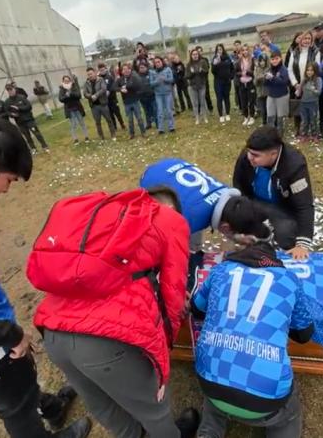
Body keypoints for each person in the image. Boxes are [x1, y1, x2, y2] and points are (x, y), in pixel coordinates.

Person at [0, 119, 89, 438]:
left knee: (22, 382)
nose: (6, 189)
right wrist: (13, 334)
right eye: (9, 180)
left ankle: (50, 407)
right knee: (15, 405)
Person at [33, 186, 199, 438]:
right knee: (154, 409)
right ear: (172, 210)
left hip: (53, 330)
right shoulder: (169, 221)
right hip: (106, 342)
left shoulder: (109, 217)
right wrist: (165, 343)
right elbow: (174, 292)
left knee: (100, 403)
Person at [191, 200, 313, 438]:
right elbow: (304, 334)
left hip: (209, 381)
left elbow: (197, 309)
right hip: (266, 400)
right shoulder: (289, 280)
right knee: (289, 414)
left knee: (215, 400)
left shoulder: (220, 271)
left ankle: (208, 431)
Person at [232, 126, 314, 260]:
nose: (250, 157)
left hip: (283, 207)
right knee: (239, 217)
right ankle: (257, 241)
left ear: (274, 154)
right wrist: (238, 223)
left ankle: (283, 251)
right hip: (255, 201)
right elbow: (238, 187)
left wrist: (302, 244)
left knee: (285, 232)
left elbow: (304, 205)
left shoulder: (294, 164)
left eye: (256, 156)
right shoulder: (246, 157)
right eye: (249, 152)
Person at [287, 32, 320, 136]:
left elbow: (317, 69)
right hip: (296, 85)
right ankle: (299, 129)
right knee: (298, 107)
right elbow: (290, 69)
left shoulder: (315, 52)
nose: (306, 40)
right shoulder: (295, 52)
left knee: (310, 108)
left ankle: (311, 130)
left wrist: (307, 84)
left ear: (311, 40)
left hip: (309, 86)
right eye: (304, 38)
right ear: (300, 40)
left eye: (308, 38)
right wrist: (295, 83)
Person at [6, 83, 50, 154]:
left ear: (14, 89)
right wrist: (12, 114)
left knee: (37, 133)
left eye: (11, 89)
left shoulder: (22, 97)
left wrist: (19, 108)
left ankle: (44, 146)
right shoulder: (7, 102)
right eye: (9, 91)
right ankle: (33, 148)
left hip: (29, 120)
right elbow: (7, 111)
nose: (10, 91)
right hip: (20, 122)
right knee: (27, 136)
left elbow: (29, 106)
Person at [83, 68, 116, 140]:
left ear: (94, 73)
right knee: (97, 122)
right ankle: (101, 136)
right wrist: (90, 96)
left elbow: (103, 89)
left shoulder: (100, 79)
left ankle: (113, 134)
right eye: (88, 74)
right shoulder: (86, 83)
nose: (90, 76)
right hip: (94, 106)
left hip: (103, 104)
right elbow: (85, 93)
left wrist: (96, 95)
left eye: (91, 74)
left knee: (109, 120)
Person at [263, 49, 291, 134]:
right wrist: (266, 79)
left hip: (281, 96)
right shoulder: (269, 69)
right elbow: (266, 84)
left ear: (280, 58)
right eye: (272, 59)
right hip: (271, 96)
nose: (274, 61)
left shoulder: (284, 69)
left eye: (276, 58)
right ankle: (271, 135)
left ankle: (279, 135)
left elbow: (284, 82)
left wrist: (273, 78)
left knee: (280, 118)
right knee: (270, 117)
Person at [116, 63, 147, 139]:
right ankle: (131, 134)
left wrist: (126, 87)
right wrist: (121, 89)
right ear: (122, 71)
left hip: (135, 101)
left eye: (127, 69)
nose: (126, 71)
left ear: (130, 70)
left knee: (139, 118)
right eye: (124, 69)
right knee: (130, 120)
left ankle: (143, 132)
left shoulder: (134, 77)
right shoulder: (120, 79)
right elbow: (113, 87)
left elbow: (138, 86)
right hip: (126, 103)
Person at [58, 75, 89, 145]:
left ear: (70, 80)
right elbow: (60, 99)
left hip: (77, 108)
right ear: (63, 81)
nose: (66, 82)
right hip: (69, 109)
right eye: (65, 81)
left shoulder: (74, 86)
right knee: (73, 124)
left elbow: (79, 95)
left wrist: (71, 94)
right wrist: (66, 95)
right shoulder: (62, 89)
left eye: (68, 80)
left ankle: (86, 137)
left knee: (82, 122)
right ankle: (75, 139)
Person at [150, 57, 176, 134]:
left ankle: (171, 127)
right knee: (160, 111)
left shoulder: (167, 70)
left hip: (167, 93)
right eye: (156, 62)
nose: (157, 63)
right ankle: (160, 129)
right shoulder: (152, 72)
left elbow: (171, 80)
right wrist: (157, 81)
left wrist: (165, 79)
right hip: (158, 95)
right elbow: (151, 84)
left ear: (162, 62)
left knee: (169, 110)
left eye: (159, 62)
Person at [98, 63, 126, 130]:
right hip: (105, 100)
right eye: (101, 70)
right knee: (110, 114)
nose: (102, 71)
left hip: (113, 98)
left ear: (105, 69)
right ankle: (114, 126)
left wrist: (109, 91)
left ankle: (122, 124)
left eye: (103, 69)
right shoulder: (99, 78)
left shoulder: (109, 76)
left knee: (117, 112)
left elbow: (113, 85)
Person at [298, 62, 322, 141]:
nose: (309, 72)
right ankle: (304, 134)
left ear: (315, 71)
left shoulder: (318, 80)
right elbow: (299, 91)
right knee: (304, 120)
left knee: (313, 120)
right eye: (308, 70)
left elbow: (319, 92)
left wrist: (313, 90)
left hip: (313, 103)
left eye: (312, 70)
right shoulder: (304, 80)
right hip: (303, 103)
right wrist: (298, 90)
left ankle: (314, 134)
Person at [186, 49, 210, 125]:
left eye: (196, 54)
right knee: (195, 103)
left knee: (202, 102)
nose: (195, 55)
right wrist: (192, 73)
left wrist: (202, 70)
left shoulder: (203, 62)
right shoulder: (189, 64)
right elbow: (186, 76)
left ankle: (205, 117)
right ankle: (197, 118)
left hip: (202, 85)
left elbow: (207, 71)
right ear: (191, 56)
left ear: (198, 55)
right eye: (193, 54)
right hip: (193, 86)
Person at [212, 44, 234, 122]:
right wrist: (215, 63)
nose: (219, 51)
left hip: (227, 81)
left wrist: (231, 76)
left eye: (220, 49)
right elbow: (213, 71)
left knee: (226, 97)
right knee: (219, 98)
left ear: (223, 49)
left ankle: (227, 114)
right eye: (218, 50)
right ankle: (221, 115)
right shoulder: (215, 59)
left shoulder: (228, 58)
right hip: (218, 82)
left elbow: (232, 68)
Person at [236, 46, 257, 126]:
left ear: (248, 51)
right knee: (243, 101)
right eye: (243, 50)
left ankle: (252, 116)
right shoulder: (238, 61)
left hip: (250, 83)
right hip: (242, 83)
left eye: (246, 50)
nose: (245, 52)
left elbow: (254, 72)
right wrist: (241, 73)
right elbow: (236, 72)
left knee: (251, 100)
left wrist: (248, 73)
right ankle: (245, 117)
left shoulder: (252, 60)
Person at [136, 63, 157, 129]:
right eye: (140, 68)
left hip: (151, 95)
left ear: (146, 67)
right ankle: (149, 123)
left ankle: (158, 123)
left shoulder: (151, 74)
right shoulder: (137, 76)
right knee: (146, 111)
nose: (142, 69)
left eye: (143, 67)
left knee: (155, 110)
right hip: (142, 97)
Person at [253, 51, 270, 126]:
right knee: (263, 109)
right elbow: (255, 82)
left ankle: (270, 122)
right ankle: (264, 122)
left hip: (268, 92)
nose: (262, 63)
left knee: (268, 108)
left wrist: (264, 77)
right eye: (260, 61)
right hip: (260, 93)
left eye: (264, 61)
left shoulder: (269, 69)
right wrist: (258, 79)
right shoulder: (257, 69)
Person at [196, 46, 215, 112]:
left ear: (202, 51)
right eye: (198, 51)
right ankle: (199, 110)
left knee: (207, 95)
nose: (199, 52)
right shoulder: (194, 60)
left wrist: (202, 70)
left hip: (204, 80)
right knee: (198, 96)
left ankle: (210, 108)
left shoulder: (205, 59)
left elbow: (207, 69)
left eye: (200, 51)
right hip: (197, 81)